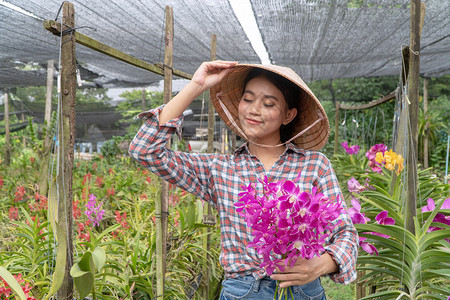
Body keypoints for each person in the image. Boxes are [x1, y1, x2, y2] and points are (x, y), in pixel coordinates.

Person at [129, 61, 358, 299]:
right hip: (243, 291)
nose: (253, 109)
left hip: (303, 291)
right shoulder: (219, 170)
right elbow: (144, 151)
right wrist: (195, 87)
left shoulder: (314, 165)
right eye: (247, 99)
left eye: (268, 103)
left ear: (288, 115)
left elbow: (345, 232)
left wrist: (321, 264)